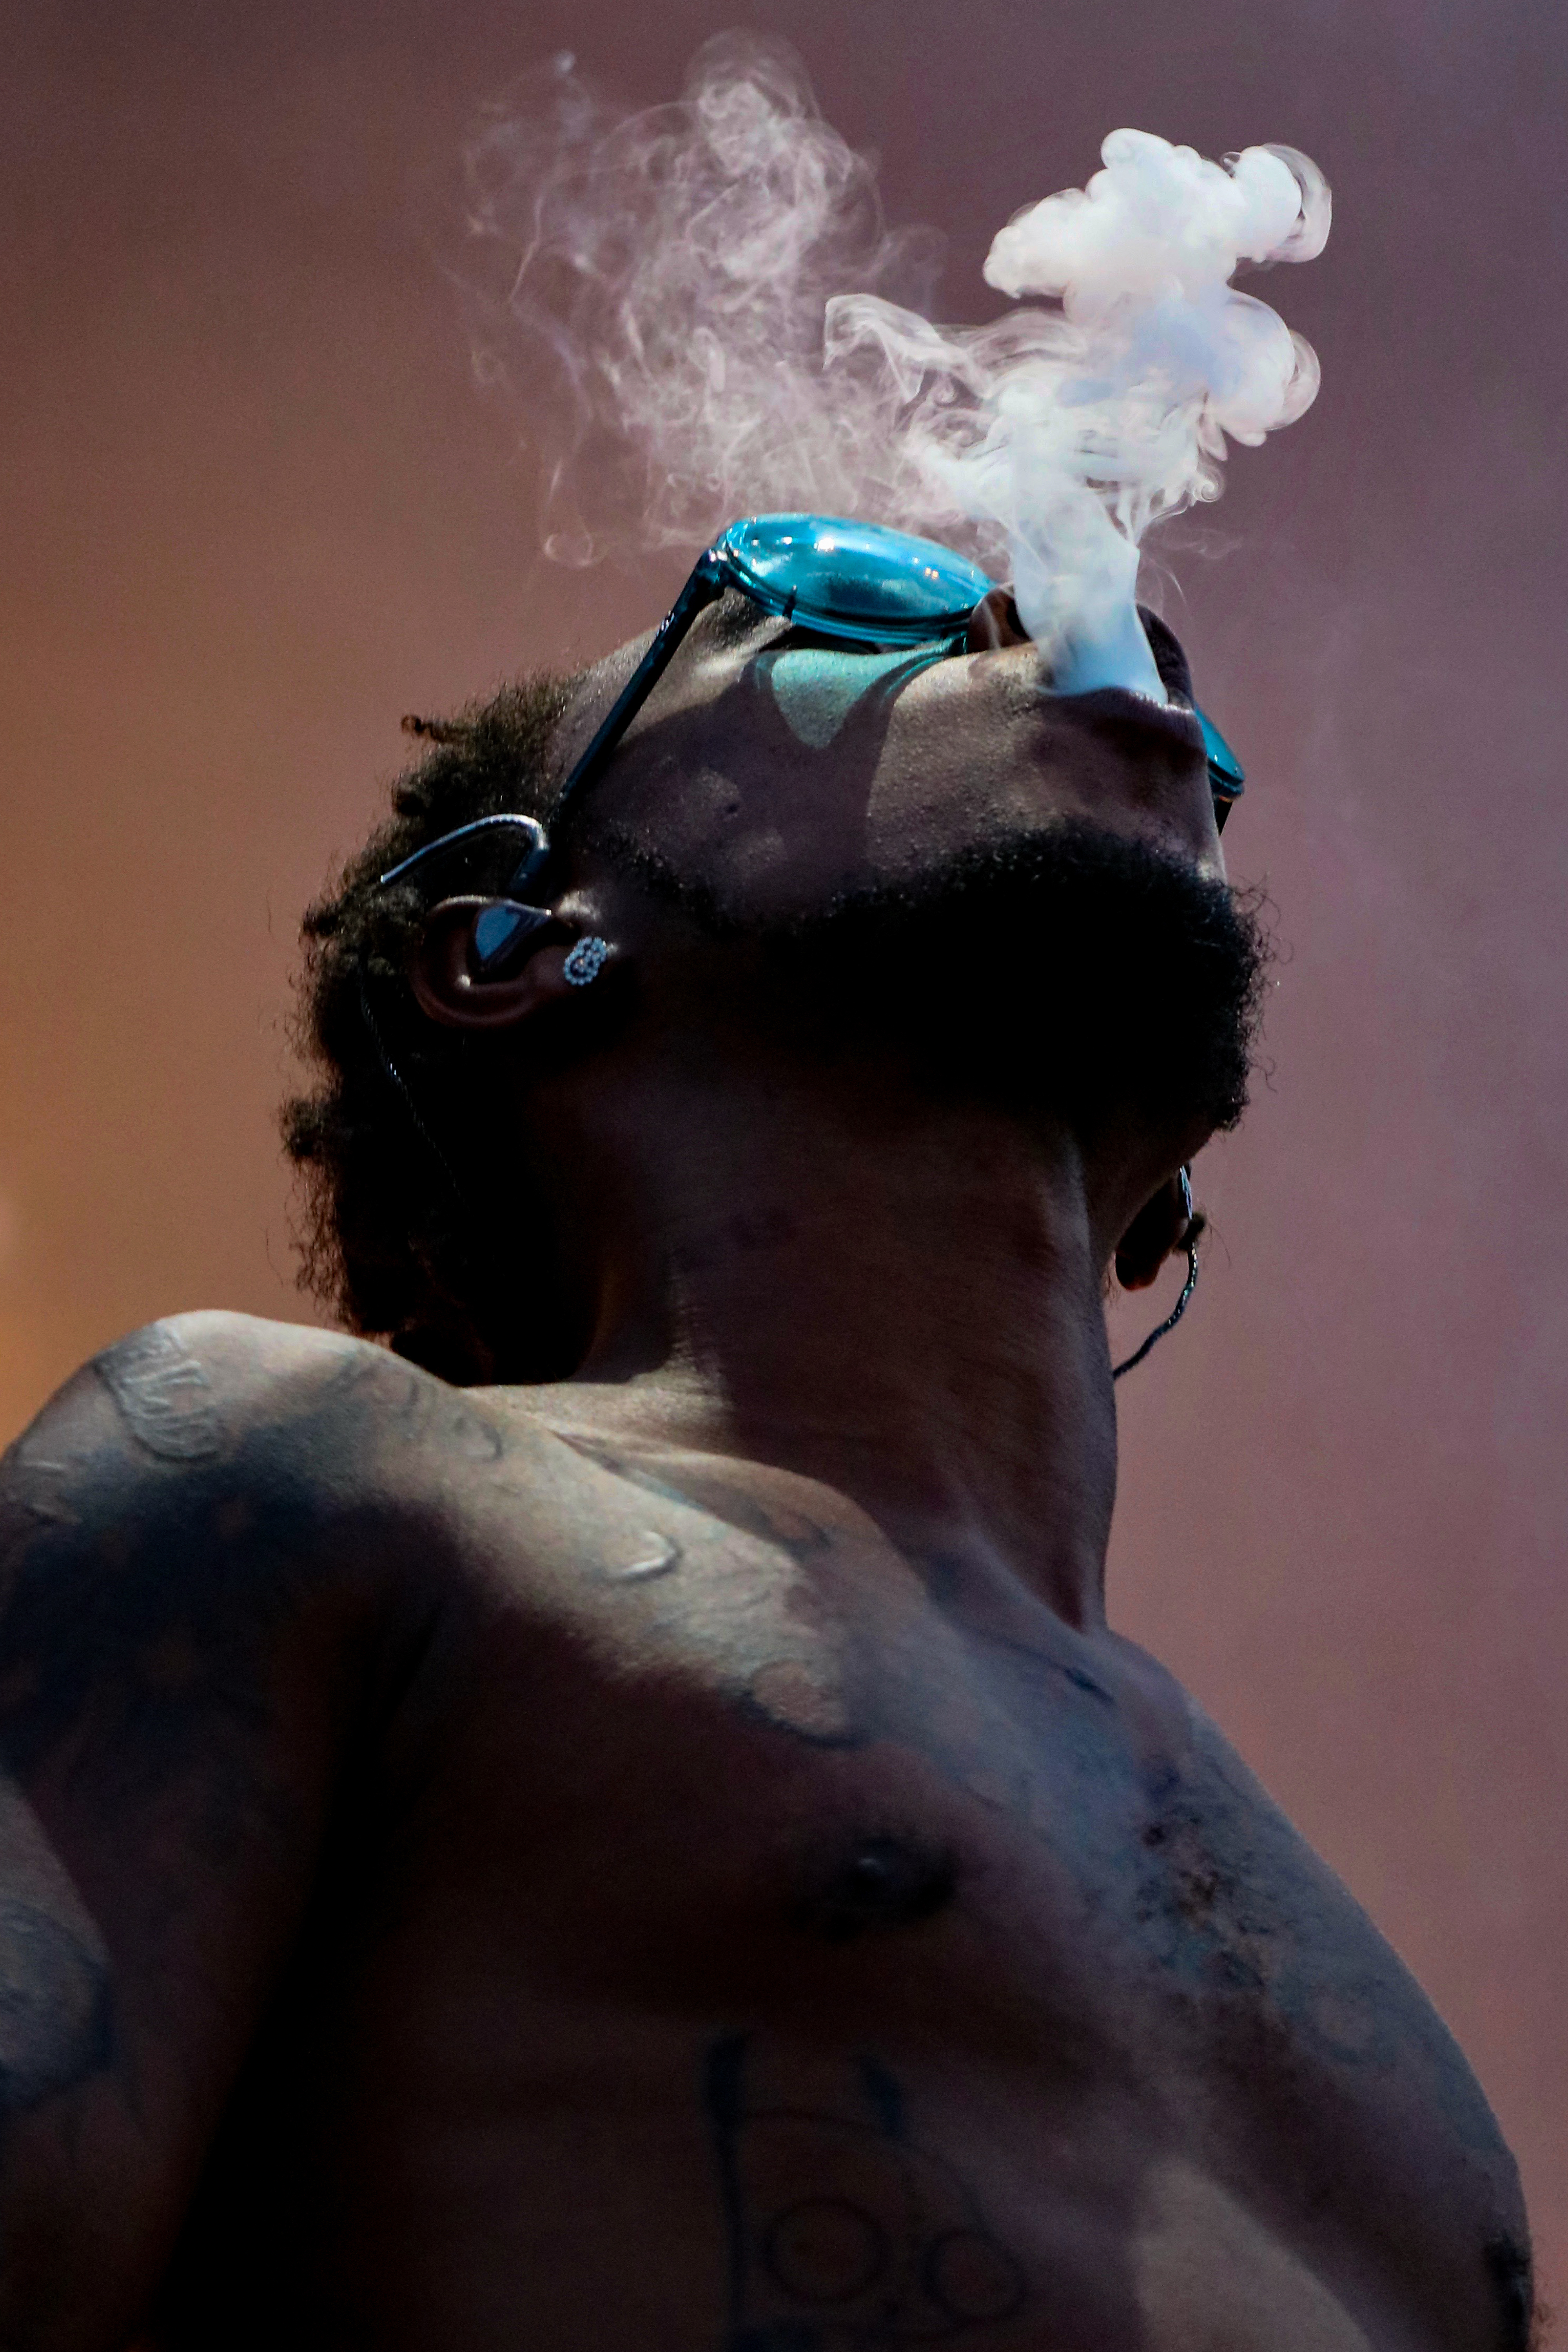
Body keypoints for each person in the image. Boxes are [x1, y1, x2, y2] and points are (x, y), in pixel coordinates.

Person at [0, 542, 1534, 2352]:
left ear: (1164, 1210)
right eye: (842, 601)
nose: (1073, 625)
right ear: (508, 946)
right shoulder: (290, 1478)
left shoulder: (1387, 2022)